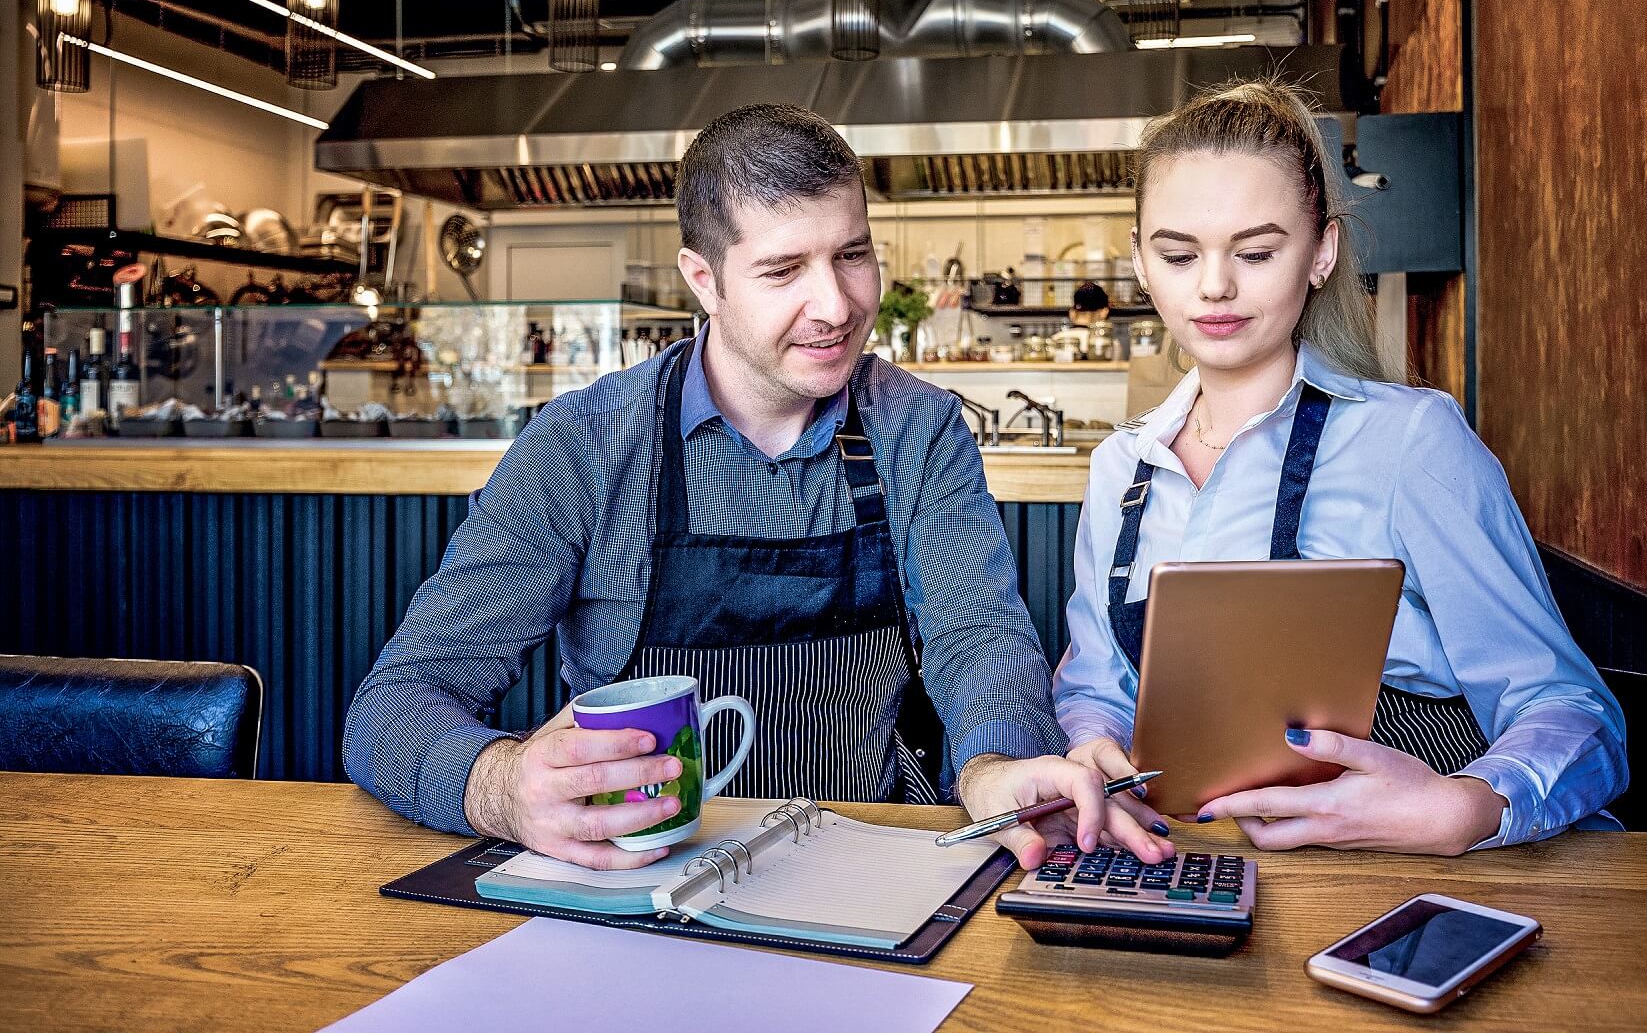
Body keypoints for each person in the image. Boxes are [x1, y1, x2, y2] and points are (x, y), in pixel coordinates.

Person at [344, 104, 1169, 872]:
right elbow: (394, 706)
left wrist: (997, 765)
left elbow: (978, 635)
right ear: (703, 280)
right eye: (783, 270)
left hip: (868, 864)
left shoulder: (916, 429)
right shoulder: (585, 446)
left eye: (853, 254)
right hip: (645, 879)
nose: (837, 304)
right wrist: (503, 785)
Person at [1054, 79, 1627, 855]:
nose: (1215, 285)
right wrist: (1092, 744)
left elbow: (1572, 709)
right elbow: (1095, 688)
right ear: (1140, 262)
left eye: (1256, 252)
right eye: (1179, 253)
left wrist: (1465, 809)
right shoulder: (1121, 470)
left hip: (1399, 873)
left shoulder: (1412, 442)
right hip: (1193, 860)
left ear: (1321, 252)